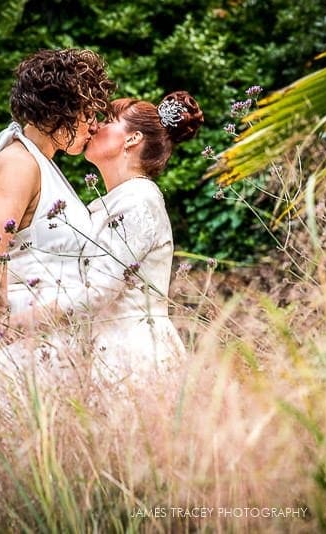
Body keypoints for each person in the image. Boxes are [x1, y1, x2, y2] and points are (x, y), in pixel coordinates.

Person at [0, 48, 115, 324]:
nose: (94, 127)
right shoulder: (19, 163)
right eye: (89, 114)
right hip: (26, 332)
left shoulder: (42, 163)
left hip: (56, 334)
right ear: (59, 111)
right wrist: (0, 323)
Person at [81, 91, 203, 386]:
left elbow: (98, 290)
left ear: (132, 139)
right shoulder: (120, 199)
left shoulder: (139, 201)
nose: (95, 126)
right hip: (112, 350)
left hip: (136, 357)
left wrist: (23, 317)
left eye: (109, 121)